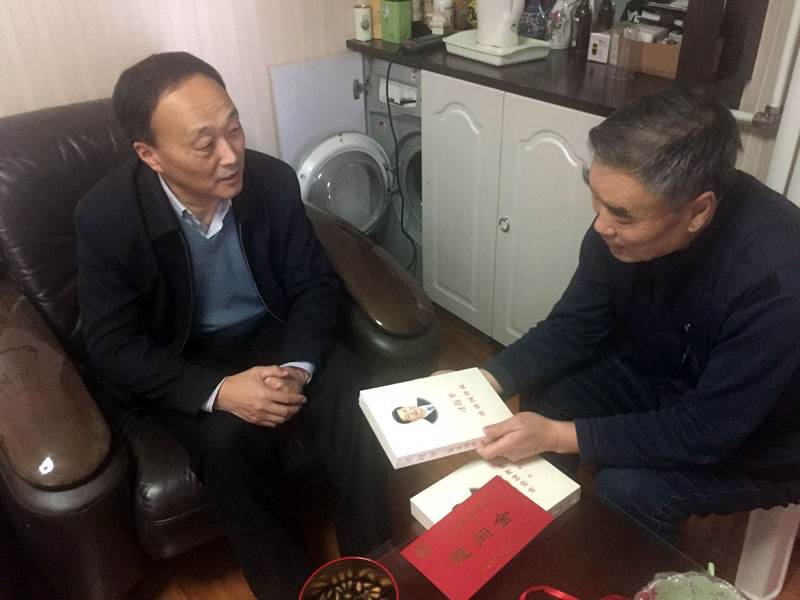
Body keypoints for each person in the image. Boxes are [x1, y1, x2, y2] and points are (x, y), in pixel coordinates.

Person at [74, 52, 389, 599]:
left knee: (352, 390)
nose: (231, 155)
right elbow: (113, 346)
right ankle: (289, 588)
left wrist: (297, 366)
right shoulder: (106, 218)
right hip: (185, 354)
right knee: (226, 443)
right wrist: (220, 392)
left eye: (235, 129)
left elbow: (314, 284)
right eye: (204, 144)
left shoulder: (272, 181)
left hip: (274, 331)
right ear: (150, 154)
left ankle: (377, 563)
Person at [471, 87, 800, 539]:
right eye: (597, 199)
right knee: (552, 393)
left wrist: (556, 436)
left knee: (628, 488)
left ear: (698, 211)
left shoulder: (776, 280)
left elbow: (707, 430)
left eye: (622, 215)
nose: (601, 225)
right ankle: (533, 530)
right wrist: (478, 382)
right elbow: (574, 326)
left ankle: (637, 572)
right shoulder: (618, 230)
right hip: (669, 375)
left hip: (765, 431)